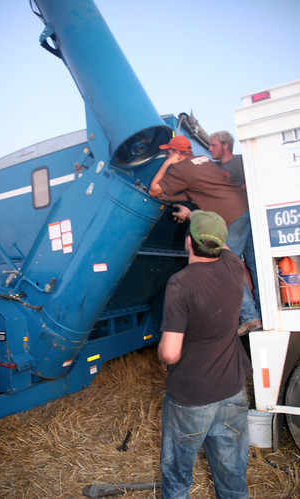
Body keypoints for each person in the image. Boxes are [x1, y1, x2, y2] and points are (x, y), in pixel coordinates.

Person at [158, 210, 250, 499]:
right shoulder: (234, 266)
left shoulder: (180, 283)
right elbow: (224, 246)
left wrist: (161, 354)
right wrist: (199, 216)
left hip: (191, 398)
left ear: (188, 242)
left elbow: (171, 353)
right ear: (221, 243)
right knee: (232, 475)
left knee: (177, 478)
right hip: (233, 391)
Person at [149, 135, 262, 336]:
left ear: (177, 153)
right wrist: (172, 197)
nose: (166, 155)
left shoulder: (179, 169)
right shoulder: (204, 161)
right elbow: (197, 190)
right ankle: (264, 312)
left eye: (168, 152)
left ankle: (251, 317)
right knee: (256, 265)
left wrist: (167, 163)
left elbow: (153, 190)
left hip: (231, 216)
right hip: (246, 207)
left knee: (227, 268)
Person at [209, 131, 261, 332]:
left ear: (225, 146)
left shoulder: (240, 162)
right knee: (256, 266)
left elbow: (253, 184)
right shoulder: (216, 168)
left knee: (225, 264)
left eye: (213, 145)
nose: (210, 148)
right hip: (244, 219)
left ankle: (250, 316)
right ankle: (260, 314)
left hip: (241, 216)